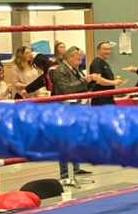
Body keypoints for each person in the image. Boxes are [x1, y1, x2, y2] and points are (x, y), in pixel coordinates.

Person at [52, 47, 91, 178]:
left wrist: (90, 81)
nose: (80, 62)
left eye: (81, 60)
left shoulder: (75, 70)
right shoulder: (60, 70)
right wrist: (84, 80)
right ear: (69, 58)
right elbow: (65, 89)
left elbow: (81, 87)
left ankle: (75, 168)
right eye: (78, 59)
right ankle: (65, 172)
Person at [87, 40, 125, 106]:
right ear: (98, 50)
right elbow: (98, 80)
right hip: (101, 100)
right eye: (105, 49)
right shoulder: (97, 63)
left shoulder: (104, 63)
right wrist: (114, 82)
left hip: (108, 98)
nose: (108, 51)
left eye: (109, 49)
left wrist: (115, 82)